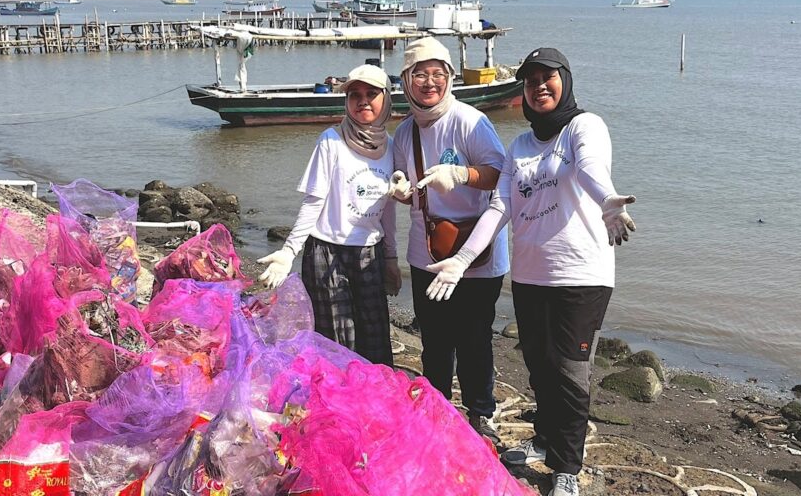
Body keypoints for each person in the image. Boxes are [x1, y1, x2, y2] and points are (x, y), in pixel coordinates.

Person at [491, 48, 637, 496]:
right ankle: (545, 439)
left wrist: (608, 199)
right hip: (531, 274)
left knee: (570, 372)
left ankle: (566, 468)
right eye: (530, 79)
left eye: (547, 76)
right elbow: (502, 205)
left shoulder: (584, 126)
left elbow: (592, 169)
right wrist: (462, 259)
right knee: (538, 365)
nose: (538, 86)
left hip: (582, 275)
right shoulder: (519, 146)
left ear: (565, 79)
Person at [388, 37, 510, 446]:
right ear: (405, 80)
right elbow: (402, 181)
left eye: (438, 74)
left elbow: (499, 173)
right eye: (419, 74)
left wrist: (461, 175)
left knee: (476, 337)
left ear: (449, 78)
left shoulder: (471, 120)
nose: (429, 82)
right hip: (427, 252)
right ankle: (436, 404)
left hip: (477, 254)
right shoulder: (405, 132)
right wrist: (403, 189)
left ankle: (480, 411)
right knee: (435, 339)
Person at [256, 64, 401, 366]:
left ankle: (371, 406)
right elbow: (314, 201)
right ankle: (338, 406)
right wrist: (289, 251)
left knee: (375, 341)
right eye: (354, 95)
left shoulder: (392, 147)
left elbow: (388, 209)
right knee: (336, 340)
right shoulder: (331, 140)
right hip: (326, 251)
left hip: (369, 252)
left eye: (371, 94)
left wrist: (390, 259)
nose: (363, 101)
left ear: (386, 98)